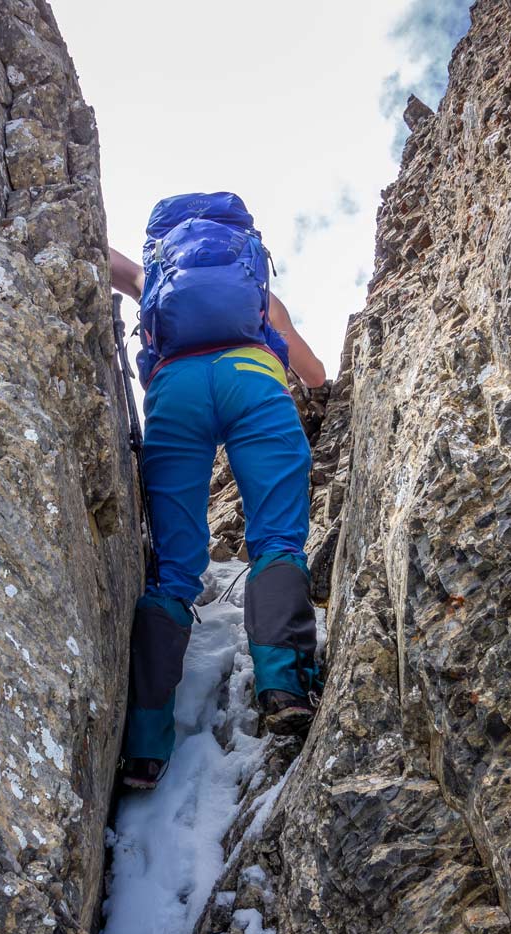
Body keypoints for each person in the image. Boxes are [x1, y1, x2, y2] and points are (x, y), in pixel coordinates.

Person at [110, 193, 326, 790]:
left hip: (176, 387)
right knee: (277, 537)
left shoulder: (158, 274)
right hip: (254, 378)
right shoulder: (255, 286)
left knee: (174, 571)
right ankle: (283, 684)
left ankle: (145, 750)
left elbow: (98, 257)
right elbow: (313, 373)